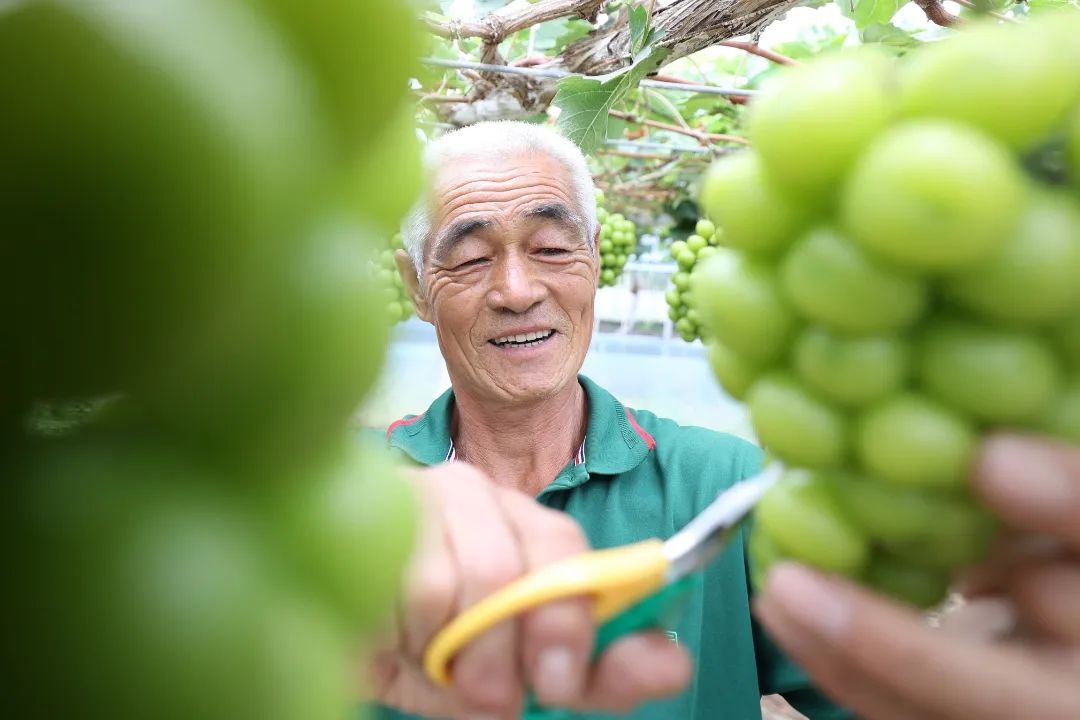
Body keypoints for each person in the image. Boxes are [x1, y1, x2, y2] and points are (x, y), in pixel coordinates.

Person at [362, 121, 1080, 720]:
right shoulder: (348, 494)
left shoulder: (727, 487)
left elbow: (889, 688)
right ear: (417, 288)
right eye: (472, 258)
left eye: (552, 249)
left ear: (593, 262)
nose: (518, 290)